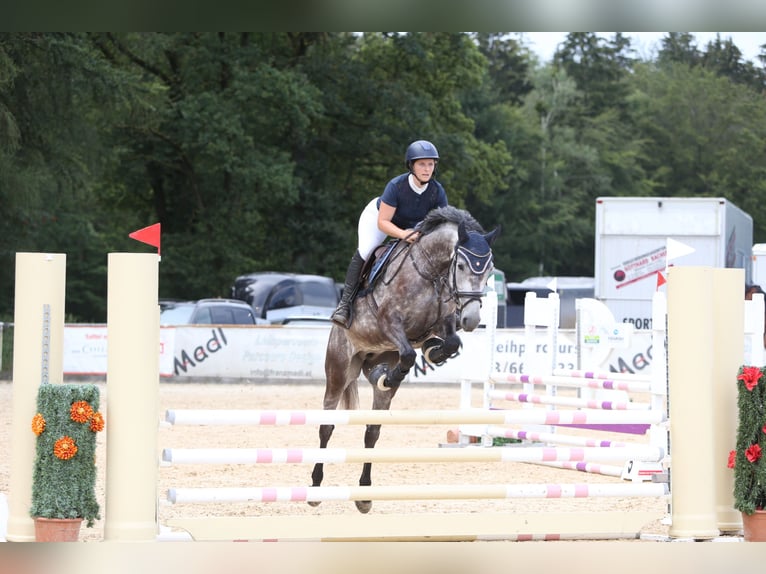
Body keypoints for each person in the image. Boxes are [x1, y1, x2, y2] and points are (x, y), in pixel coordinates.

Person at [331, 139, 448, 328]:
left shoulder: (437, 190)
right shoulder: (396, 186)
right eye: (422, 164)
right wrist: (403, 234)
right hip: (381, 219)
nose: (427, 169)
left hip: (413, 227)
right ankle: (344, 305)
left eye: (430, 164)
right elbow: (383, 222)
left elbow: (440, 224)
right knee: (367, 251)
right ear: (411, 165)